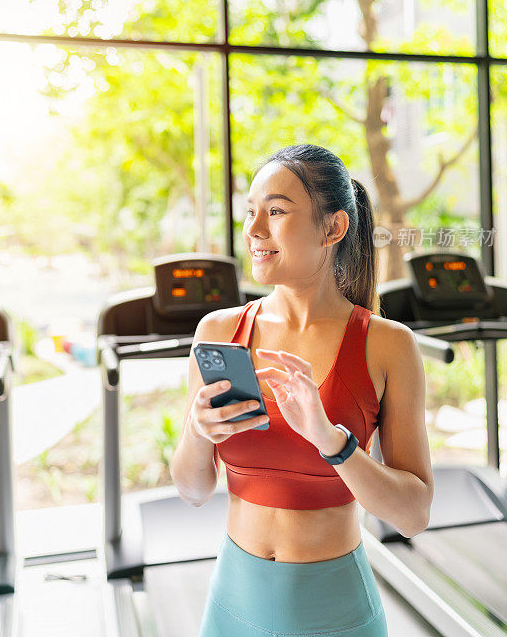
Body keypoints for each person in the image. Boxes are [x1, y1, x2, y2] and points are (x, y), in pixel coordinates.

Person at [170, 144, 434, 637]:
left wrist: (331, 441)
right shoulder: (217, 331)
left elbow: (414, 515)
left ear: (333, 227)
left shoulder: (387, 344)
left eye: (275, 211)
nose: (253, 231)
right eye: (251, 212)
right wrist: (198, 431)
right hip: (233, 602)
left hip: (335, 610)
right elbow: (193, 489)